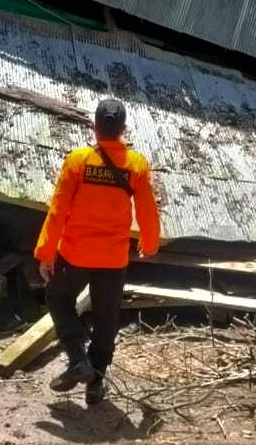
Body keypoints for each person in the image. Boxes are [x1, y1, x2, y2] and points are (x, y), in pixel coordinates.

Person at [34, 98, 161, 405]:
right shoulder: (137, 165)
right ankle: (95, 385)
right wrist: (150, 242)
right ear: (123, 129)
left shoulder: (78, 160)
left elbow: (58, 209)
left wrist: (45, 252)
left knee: (57, 297)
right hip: (113, 259)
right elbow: (147, 211)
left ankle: (78, 357)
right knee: (106, 319)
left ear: (95, 127)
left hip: (75, 254)